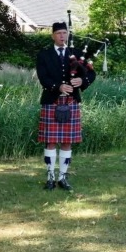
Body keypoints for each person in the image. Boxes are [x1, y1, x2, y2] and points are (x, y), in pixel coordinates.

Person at [35, 21, 95, 191]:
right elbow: (43, 77)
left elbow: (92, 73)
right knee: (50, 141)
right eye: (59, 33)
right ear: (53, 35)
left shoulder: (77, 53)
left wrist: (82, 80)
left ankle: (62, 176)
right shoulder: (44, 55)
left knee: (67, 141)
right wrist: (58, 86)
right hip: (51, 100)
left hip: (71, 102)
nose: (62, 36)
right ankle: (50, 177)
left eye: (64, 33)